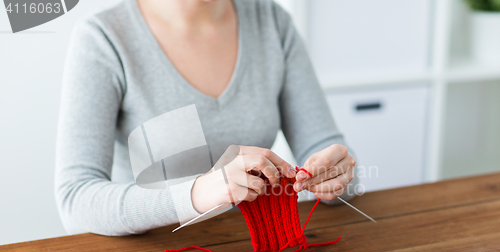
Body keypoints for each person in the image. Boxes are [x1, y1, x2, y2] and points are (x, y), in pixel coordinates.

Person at [55, 0, 358, 236]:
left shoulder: (272, 22)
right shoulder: (103, 38)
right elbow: (75, 200)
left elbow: (325, 147)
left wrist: (339, 177)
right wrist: (198, 194)